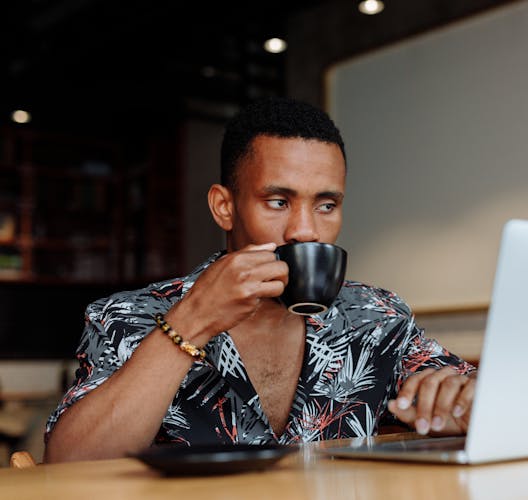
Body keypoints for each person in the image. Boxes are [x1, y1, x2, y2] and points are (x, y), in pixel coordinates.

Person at [44, 97, 476, 462]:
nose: (304, 230)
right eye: (277, 201)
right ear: (224, 208)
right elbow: (67, 466)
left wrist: (461, 402)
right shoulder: (127, 315)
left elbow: (482, 399)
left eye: (326, 205)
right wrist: (189, 323)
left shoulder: (378, 316)